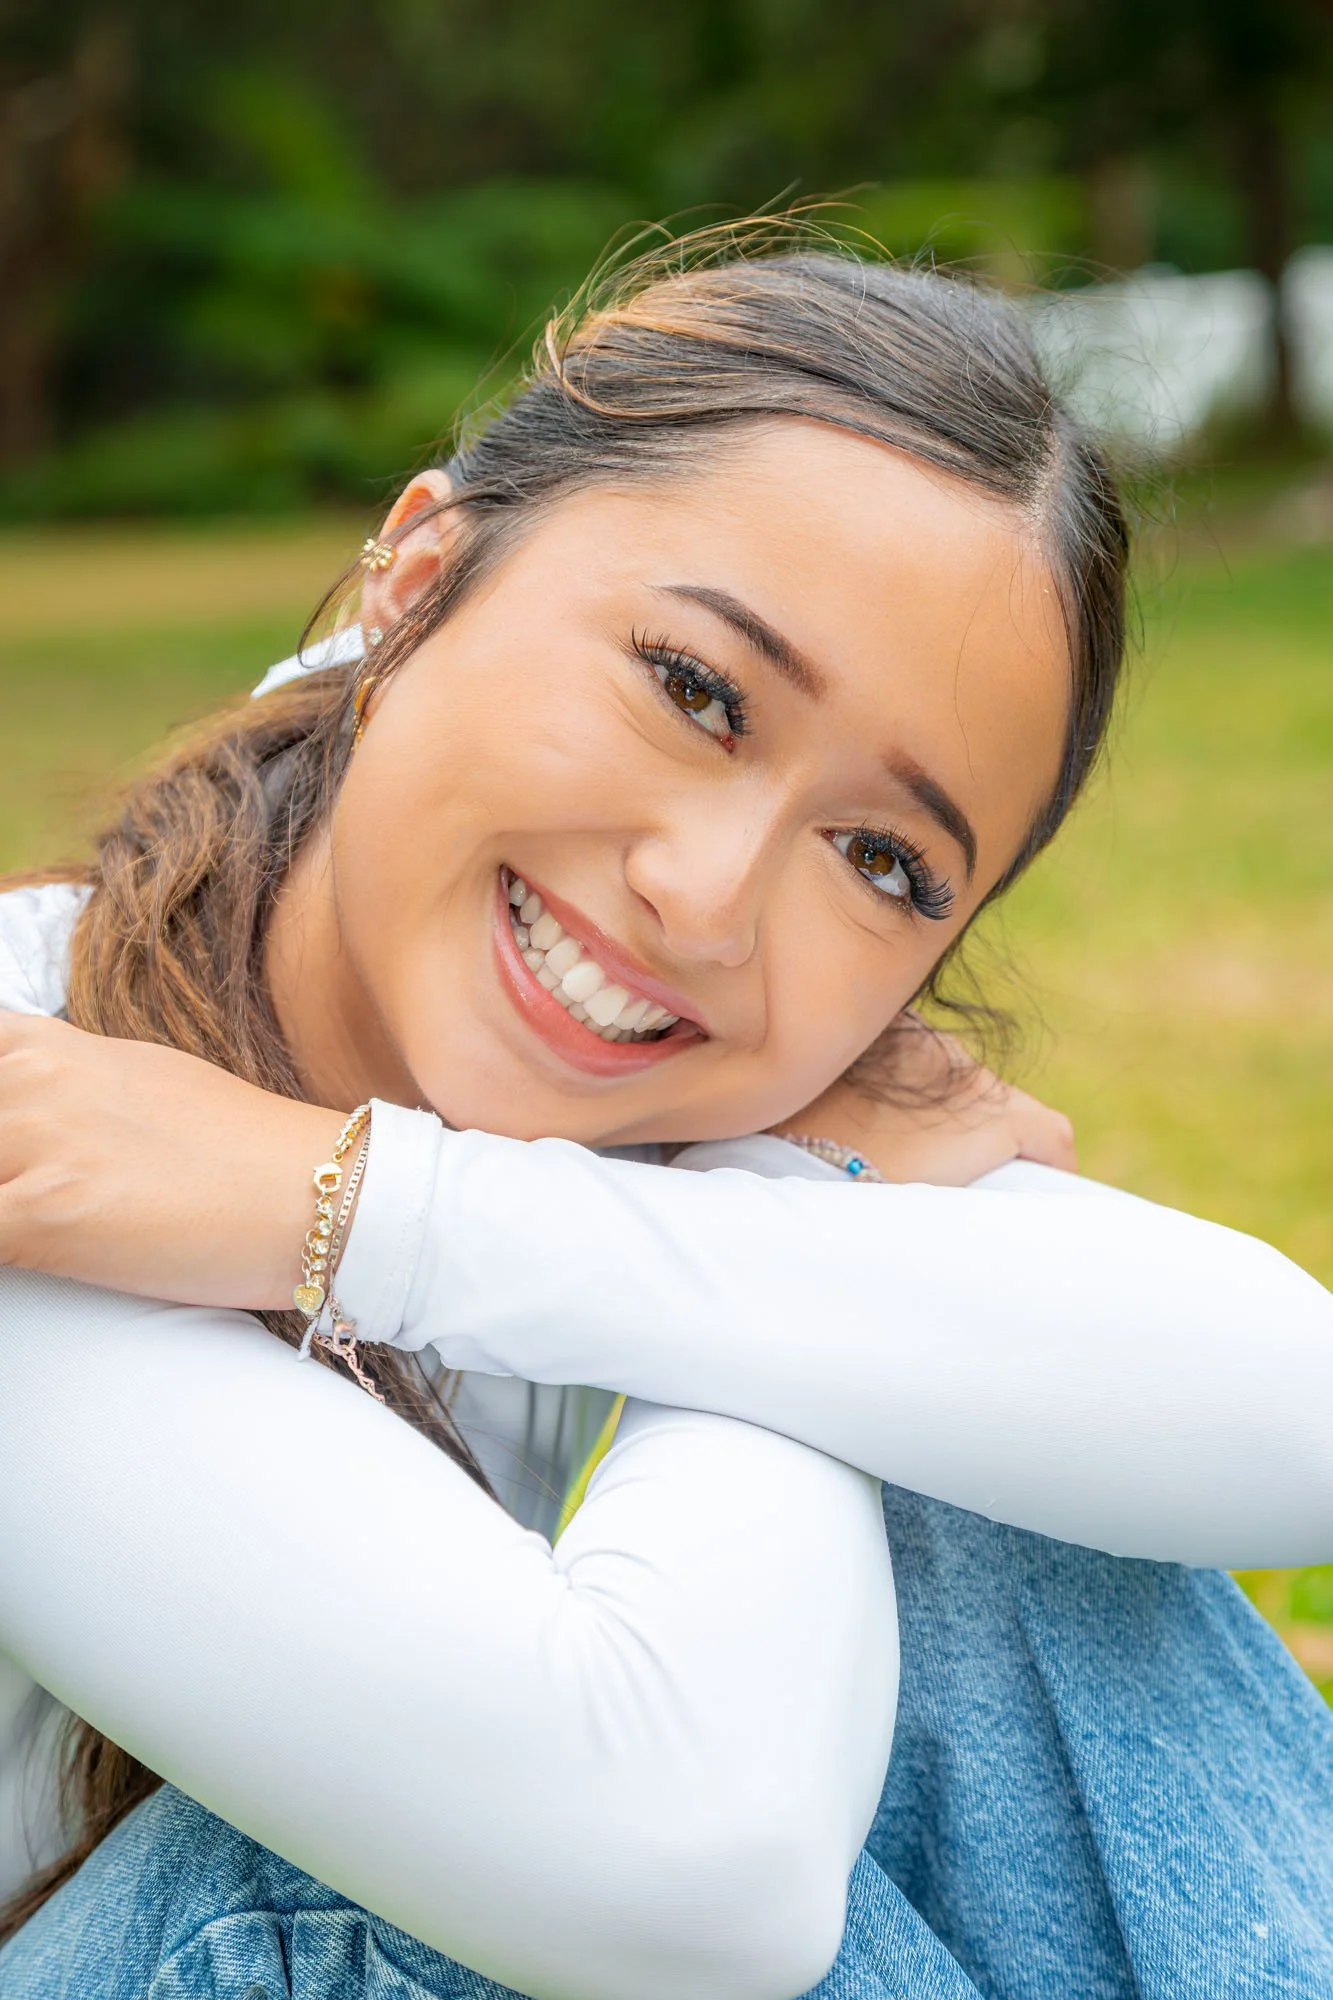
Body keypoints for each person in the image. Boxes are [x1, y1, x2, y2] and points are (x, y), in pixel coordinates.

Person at [0, 236, 1331, 2000]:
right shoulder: (45, 1098)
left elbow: (1293, 1417)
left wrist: (376, 1206)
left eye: (882, 862)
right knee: (442, 1841)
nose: (707, 904)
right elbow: (692, 1866)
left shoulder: (723, 1103)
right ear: (410, 574)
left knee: (969, 1464)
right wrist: (789, 1231)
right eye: (693, 688)